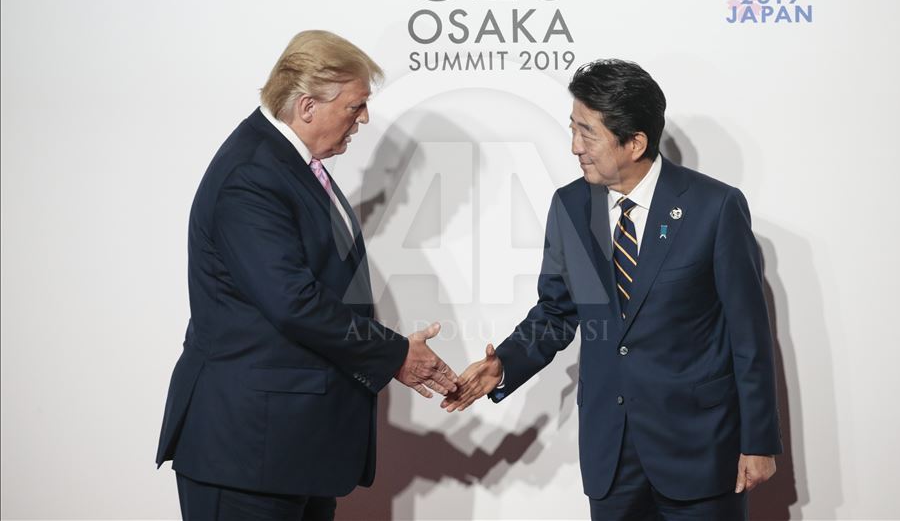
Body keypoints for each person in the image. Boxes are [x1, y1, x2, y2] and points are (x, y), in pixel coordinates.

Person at [442, 59, 782, 520]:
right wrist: (504, 365)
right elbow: (556, 312)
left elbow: (749, 334)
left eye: (587, 133)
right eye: (573, 128)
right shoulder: (570, 206)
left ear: (635, 143)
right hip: (612, 454)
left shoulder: (715, 207)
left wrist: (758, 442)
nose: (574, 147)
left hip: (700, 448)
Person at [156, 30, 458, 520]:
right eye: (355, 106)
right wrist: (395, 354)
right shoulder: (251, 174)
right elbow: (294, 302)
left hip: (292, 451)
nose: (364, 118)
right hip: (245, 454)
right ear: (307, 106)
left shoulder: (289, 165)